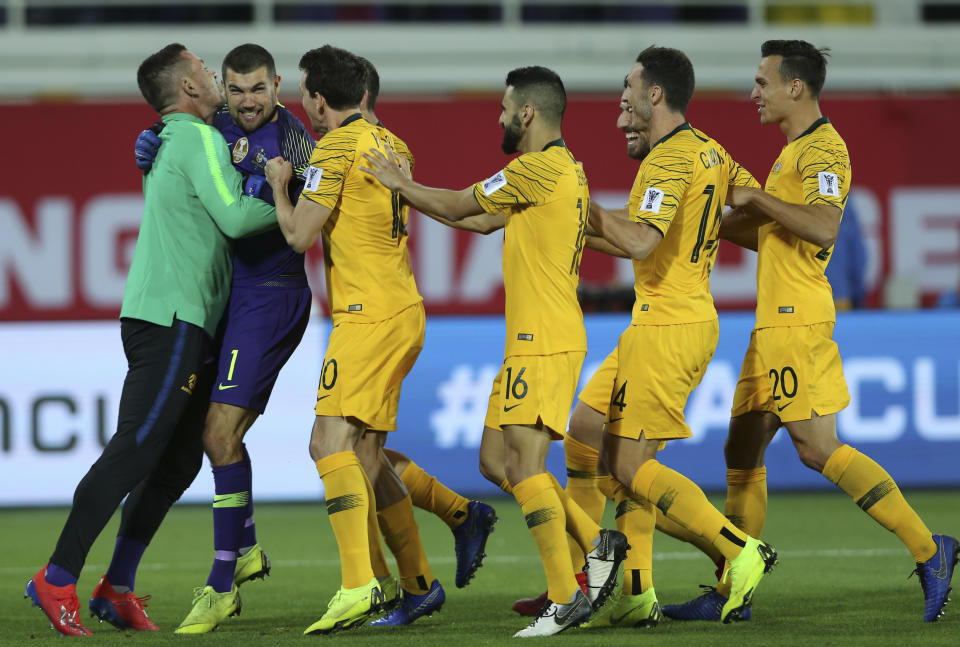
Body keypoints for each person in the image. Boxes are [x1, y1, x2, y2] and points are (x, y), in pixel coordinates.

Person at [663, 39, 957, 624]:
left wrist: (756, 197)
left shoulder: (824, 151)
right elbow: (774, 233)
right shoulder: (794, 152)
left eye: (761, 82)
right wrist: (715, 221)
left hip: (798, 322)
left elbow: (823, 228)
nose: (753, 93)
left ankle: (931, 551)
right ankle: (733, 591)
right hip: (771, 324)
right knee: (741, 448)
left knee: (817, 448)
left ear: (795, 86)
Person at [361, 65, 628, 637]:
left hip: (545, 340)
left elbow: (460, 205)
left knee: (524, 467)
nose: (500, 117)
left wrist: (400, 184)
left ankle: (566, 596)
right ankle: (596, 539)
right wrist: (414, 196)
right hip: (530, 341)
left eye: (505, 107)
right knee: (494, 460)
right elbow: (481, 222)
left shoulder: (535, 169)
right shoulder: (563, 171)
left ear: (527, 113)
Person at [24, 43, 279, 637]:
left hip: (181, 320)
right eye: (206, 71)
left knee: (176, 462)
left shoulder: (173, 141)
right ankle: (57, 576)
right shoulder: (191, 139)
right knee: (136, 447)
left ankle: (117, 586)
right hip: (172, 319)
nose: (217, 77)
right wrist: (304, 201)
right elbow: (238, 218)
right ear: (189, 88)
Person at [586, 46, 779, 626]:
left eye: (629, 85)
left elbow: (641, 242)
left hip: (669, 324)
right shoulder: (712, 152)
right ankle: (639, 591)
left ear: (655, 94)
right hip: (666, 318)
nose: (621, 97)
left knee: (628, 465)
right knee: (585, 434)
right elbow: (753, 215)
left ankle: (737, 550)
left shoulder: (667, 161)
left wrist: (579, 208)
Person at [263, 45, 442, 635]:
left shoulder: (335, 147)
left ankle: (359, 585)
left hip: (366, 316)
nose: (304, 105)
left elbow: (297, 234)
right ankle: (416, 581)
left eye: (306, 94)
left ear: (318, 98)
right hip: (403, 306)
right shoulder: (393, 142)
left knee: (327, 442)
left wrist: (281, 185)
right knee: (362, 454)